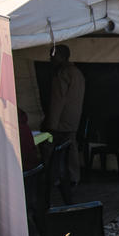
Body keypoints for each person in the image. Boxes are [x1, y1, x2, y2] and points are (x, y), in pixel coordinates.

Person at [41, 45, 85, 192]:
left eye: (52, 55)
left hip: (60, 121)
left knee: (51, 148)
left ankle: (52, 177)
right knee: (71, 148)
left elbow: (57, 100)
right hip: (73, 118)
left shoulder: (63, 74)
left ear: (60, 56)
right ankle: (73, 177)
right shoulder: (77, 73)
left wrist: (50, 124)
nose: (50, 58)